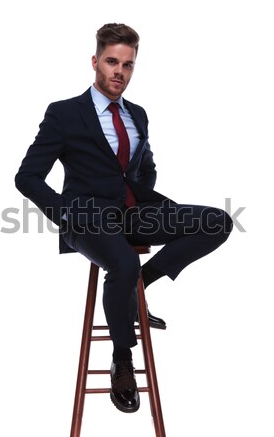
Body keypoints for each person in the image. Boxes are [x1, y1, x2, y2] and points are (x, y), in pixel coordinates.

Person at [15, 23, 233, 414]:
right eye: (113, 62)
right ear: (95, 61)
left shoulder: (138, 114)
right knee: (123, 261)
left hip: (131, 213)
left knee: (216, 222)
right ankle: (122, 361)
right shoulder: (65, 113)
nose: (120, 72)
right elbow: (27, 177)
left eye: (128, 65)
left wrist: (144, 198)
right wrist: (67, 215)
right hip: (86, 217)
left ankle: (138, 288)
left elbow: (143, 166)